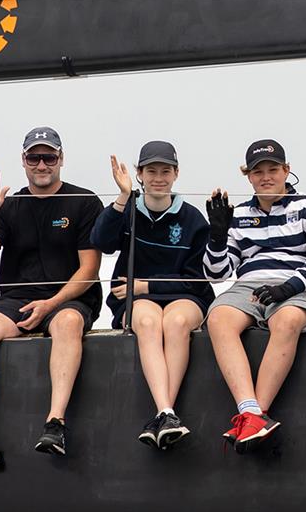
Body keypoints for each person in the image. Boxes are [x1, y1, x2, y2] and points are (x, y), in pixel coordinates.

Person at [0, 127, 103, 467]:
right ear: (24, 161)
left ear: (61, 160)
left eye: (49, 157)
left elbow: (89, 270)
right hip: (17, 298)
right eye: (34, 157)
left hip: (68, 298)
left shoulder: (84, 201)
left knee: (68, 323)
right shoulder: (9, 205)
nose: (42, 164)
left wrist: (52, 303)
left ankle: (55, 423)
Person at [203, 139, 306, 454]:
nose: (266, 176)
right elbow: (217, 273)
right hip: (250, 287)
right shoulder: (239, 214)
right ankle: (250, 412)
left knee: (287, 319)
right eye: (258, 171)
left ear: (286, 171)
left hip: (299, 285)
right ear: (247, 175)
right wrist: (218, 235)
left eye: (273, 169)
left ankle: (254, 415)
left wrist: (289, 286)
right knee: (219, 317)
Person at [90, 141, 214, 450]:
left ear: (176, 174)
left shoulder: (193, 219)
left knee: (175, 322)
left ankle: (163, 413)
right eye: (151, 171)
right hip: (136, 300)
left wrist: (149, 286)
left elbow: (197, 281)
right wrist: (121, 197)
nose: (159, 177)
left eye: (166, 171)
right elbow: (101, 241)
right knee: (146, 322)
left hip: (183, 297)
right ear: (140, 174)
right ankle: (167, 412)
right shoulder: (128, 210)